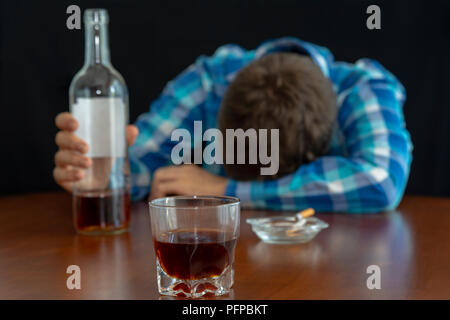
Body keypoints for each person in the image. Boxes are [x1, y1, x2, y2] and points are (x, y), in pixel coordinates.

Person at [54, 37, 412, 213]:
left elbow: (380, 182)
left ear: (312, 149)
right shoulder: (210, 83)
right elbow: (142, 166)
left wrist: (225, 187)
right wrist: (104, 175)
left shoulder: (362, 89)